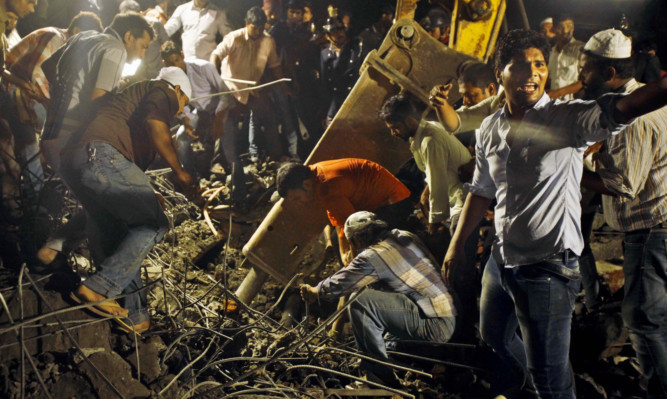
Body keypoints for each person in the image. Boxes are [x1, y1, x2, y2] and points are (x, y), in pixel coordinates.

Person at [444, 28, 667, 398]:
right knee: (494, 336)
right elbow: (482, 190)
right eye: (520, 65)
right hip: (502, 259)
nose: (532, 73)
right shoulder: (489, 128)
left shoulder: (568, 119)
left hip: (547, 268)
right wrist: (456, 246)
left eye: (539, 65)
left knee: (551, 377)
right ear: (500, 72)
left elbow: (624, 108)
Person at [61, 66, 194, 335]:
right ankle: (98, 287)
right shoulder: (164, 90)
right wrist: (180, 172)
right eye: (183, 103)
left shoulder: (131, 104)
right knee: (154, 224)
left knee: (121, 230)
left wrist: (144, 191)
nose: (180, 111)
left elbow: (125, 171)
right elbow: (156, 125)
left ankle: (135, 315)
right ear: (178, 89)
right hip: (99, 155)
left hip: (79, 161)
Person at [578, 29, 667, 398]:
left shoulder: (632, 115)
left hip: (651, 230)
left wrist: (576, 168)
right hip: (659, 224)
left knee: (643, 319)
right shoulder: (644, 100)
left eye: (586, 70)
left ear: (610, 72)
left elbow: (623, 184)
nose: (580, 78)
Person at [36, 12, 153, 267]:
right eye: (143, 46)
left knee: (98, 205)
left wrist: (60, 99)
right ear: (128, 36)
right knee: (111, 209)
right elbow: (99, 101)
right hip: (72, 140)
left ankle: (56, 251)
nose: (142, 54)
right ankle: (101, 283)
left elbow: (48, 66)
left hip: (50, 135)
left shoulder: (85, 37)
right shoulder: (115, 49)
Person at [300, 211, 456, 388]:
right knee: (383, 315)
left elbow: (340, 284)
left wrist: (314, 291)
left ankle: (379, 375)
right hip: (448, 313)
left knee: (360, 300)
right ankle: (404, 353)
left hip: (434, 326)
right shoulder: (404, 236)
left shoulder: (372, 257)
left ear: (356, 240)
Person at [379, 94, 477, 337]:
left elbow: (440, 187)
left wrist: (433, 225)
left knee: (458, 269)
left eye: (396, 127)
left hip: (463, 204)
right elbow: (432, 180)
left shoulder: (429, 141)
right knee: (457, 269)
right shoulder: (424, 134)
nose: (393, 133)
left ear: (410, 120)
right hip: (458, 199)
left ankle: (467, 331)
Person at [2, 12, 103, 194]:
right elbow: (37, 78)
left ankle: (44, 187)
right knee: (49, 136)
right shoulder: (55, 38)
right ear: (76, 31)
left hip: (26, 91)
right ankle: (38, 195)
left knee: (51, 135)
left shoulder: (67, 48)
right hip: (13, 87)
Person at [209, 6, 287, 203]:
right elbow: (216, 55)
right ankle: (217, 164)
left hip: (253, 90)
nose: (258, 31)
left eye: (261, 27)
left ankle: (276, 156)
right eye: (254, 28)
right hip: (231, 89)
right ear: (247, 24)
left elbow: (275, 66)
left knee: (268, 116)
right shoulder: (234, 37)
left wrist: (284, 84)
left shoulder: (268, 40)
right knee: (225, 126)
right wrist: (214, 73)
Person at [276, 159, 411, 263]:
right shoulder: (313, 174)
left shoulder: (326, 186)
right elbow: (341, 218)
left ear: (306, 185)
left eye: (297, 198)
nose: (299, 202)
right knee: (336, 240)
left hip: (394, 202)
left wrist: (349, 256)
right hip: (372, 203)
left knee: (365, 244)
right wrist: (344, 253)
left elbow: (352, 228)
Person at [161, 40, 230, 177]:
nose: (176, 66)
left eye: (177, 60)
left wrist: (218, 119)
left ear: (182, 55)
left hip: (221, 108)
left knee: (222, 132)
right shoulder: (170, 78)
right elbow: (181, 105)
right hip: (200, 111)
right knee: (181, 136)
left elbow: (225, 95)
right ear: (165, 64)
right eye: (171, 63)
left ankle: (219, 165)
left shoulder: (204, 67)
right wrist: (186, 122)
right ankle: (190, 176)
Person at [319, 10, 364, 127]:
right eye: (334, 31)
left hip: (354, 103)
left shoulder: (355, 50)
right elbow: (325, 84)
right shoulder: (325, 54)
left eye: (341, 29)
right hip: (336, 106)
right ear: (327, 36)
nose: (339, 33)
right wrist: (324, 112)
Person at [164, 0, 232, 61]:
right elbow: (167, 29)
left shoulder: (218, 13)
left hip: (208, 64)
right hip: (188, 63)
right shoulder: (182, 10)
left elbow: (230, 37)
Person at [547, 15, 583, 100]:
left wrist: (558, 92)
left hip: (573, 106)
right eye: (560, 27)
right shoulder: (552, 52)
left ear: (573, 27)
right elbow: (550, 78)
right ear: (554, 29)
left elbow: (585, 82)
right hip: (553, 105)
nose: (566, 30)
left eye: (569, 26)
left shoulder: (581, 49)